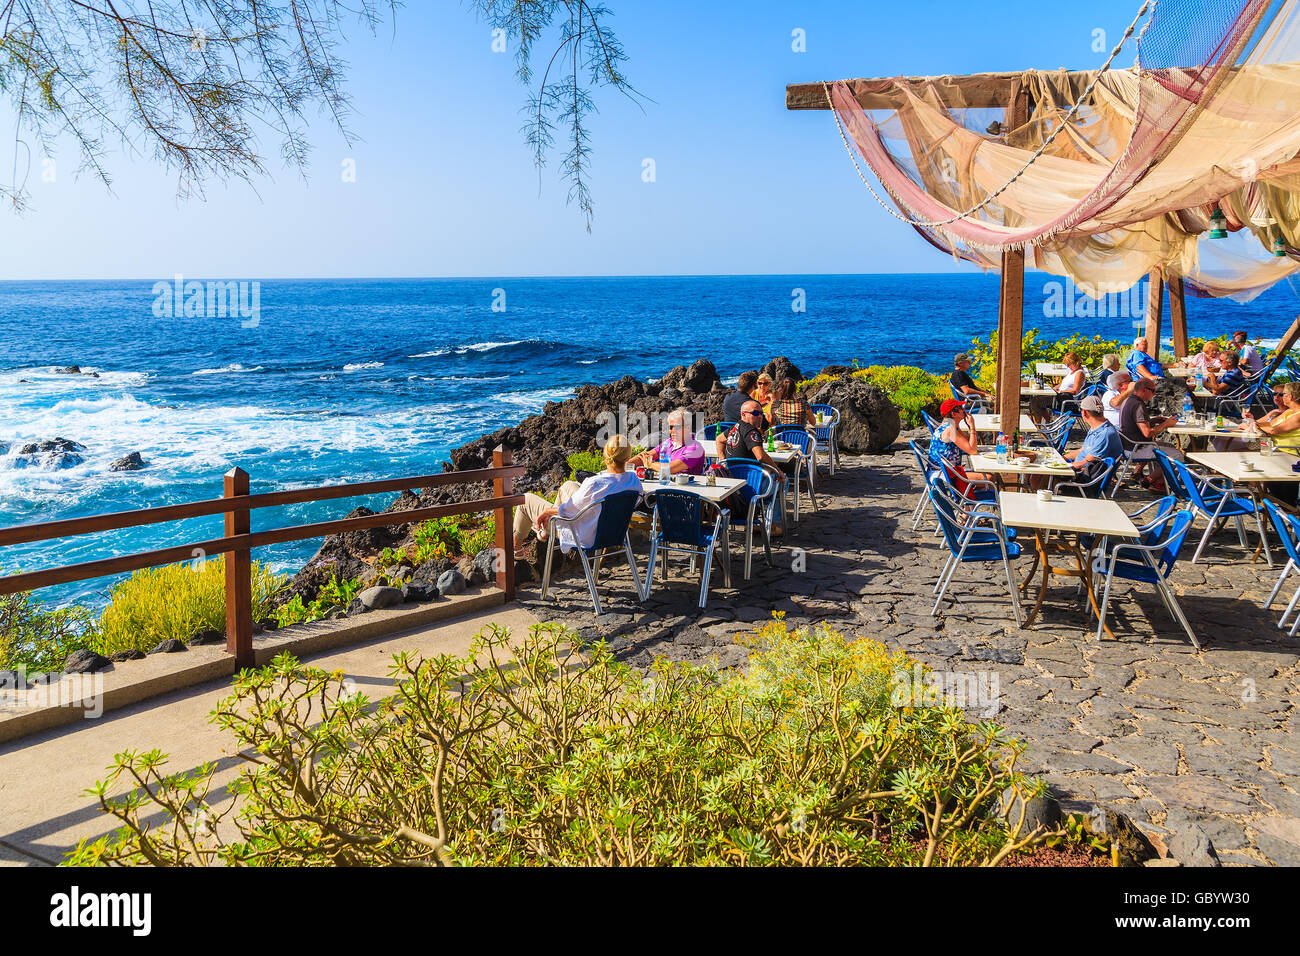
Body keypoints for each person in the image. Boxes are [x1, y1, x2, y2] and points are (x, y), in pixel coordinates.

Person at [512, 435, 641, 558]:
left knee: (525, 500)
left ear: (606, 455)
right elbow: (634, 503)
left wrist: (547, 511)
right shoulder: (634, 480)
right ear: (628, 457)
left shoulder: (595, 483)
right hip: (613, 533)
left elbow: (567, 510)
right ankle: (545, 532)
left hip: (584, 535)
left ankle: (516, 549)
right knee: (568, 485)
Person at [1117, 377, 1181, 491]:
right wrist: (1165, 424)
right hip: (1137, 448)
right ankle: (1149, 480)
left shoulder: (1128, 400)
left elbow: (1135, 424)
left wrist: (1154, 420)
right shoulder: (1138, 405)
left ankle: (1159, 482)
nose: (1155, 394)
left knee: (1169, 447)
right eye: (1153, 390)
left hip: (1128, 445)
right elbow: (1147, 433)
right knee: (1178, 455)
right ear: (1143, 390)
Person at [927, 398, 987, 493]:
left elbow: (968, 440)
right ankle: (969, 503)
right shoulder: (950, 429)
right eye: (960, 408)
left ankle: (968, 503)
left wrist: (969, 427)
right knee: (988, 478)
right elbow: (973, 450)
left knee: (985, 476)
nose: (964, 410)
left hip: (945, 471)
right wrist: (972, 427)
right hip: (942, 474)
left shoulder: (950, 425)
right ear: (954, 414)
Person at [634, 407, 705, 475]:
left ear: (688, 428)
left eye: (677, 427)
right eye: (670, 427)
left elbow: (669, 469)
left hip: (687, 486)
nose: (673, 431)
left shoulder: (695, 448)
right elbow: (644, 456)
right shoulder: (668, 442)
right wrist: (625, 464)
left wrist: (650, 464)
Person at [718, 400, 777, 466]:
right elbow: (761, 457)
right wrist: (778, 471)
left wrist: (723, 463)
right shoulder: (751, 430)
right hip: (749, 474)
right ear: (743, 414)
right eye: (755, 413)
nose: (760, 416)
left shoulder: (736, 426)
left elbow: (719, 439)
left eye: (761, 413)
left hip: (731, 473)